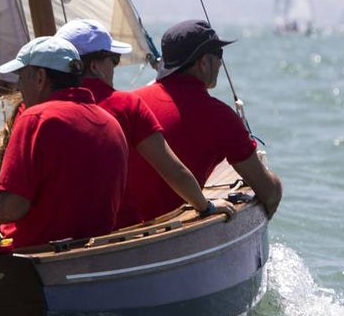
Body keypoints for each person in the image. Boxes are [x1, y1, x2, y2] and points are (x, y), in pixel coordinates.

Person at [54, 19, 232, 226]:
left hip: (52, 232)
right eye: (114, 59)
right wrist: (206, 206)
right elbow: (174, 170)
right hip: (118, 228)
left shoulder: (33, 111)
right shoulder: (124, 105)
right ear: (94, 66)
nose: (114, 67)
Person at [132, 20, 283, 220]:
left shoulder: (131, 101)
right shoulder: (220, 117)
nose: (221, 62)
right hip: (166, 232)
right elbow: (269, 192)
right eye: (218, 55)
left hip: (110, 231)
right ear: (203, 63)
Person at [0, 35, 129, 247]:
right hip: (94, 253)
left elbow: (12, 207)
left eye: (21, 76)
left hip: (33, 258)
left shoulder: (35, 118)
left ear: (40, 77)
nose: (18, 86)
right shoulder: (110, 122)